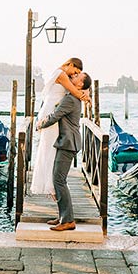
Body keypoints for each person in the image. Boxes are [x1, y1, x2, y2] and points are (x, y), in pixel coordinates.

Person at [37, 71, 92, 232]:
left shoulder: (70, 99)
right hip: (67, 142)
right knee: (58, 179)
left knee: (59, 180)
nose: (73, 77)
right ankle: (63, 216)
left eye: (76, 77)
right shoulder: (73, 96)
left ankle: (68, 220)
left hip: (68, 143)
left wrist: (40, 124)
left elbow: (55, 116)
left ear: (80, 84)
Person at [30, 59, 90, 197]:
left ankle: (52, 184)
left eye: (78, 74)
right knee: (49, 148)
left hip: (53, 111)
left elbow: (80, 86)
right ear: (70, 65)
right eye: (75, 71)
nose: (75, 75)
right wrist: (86, 97)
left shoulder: (67, 76)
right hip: (50, 112)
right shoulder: (60, 74)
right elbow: (75, 91)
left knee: (51, 148)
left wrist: (86, 91)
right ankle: (51, 185)